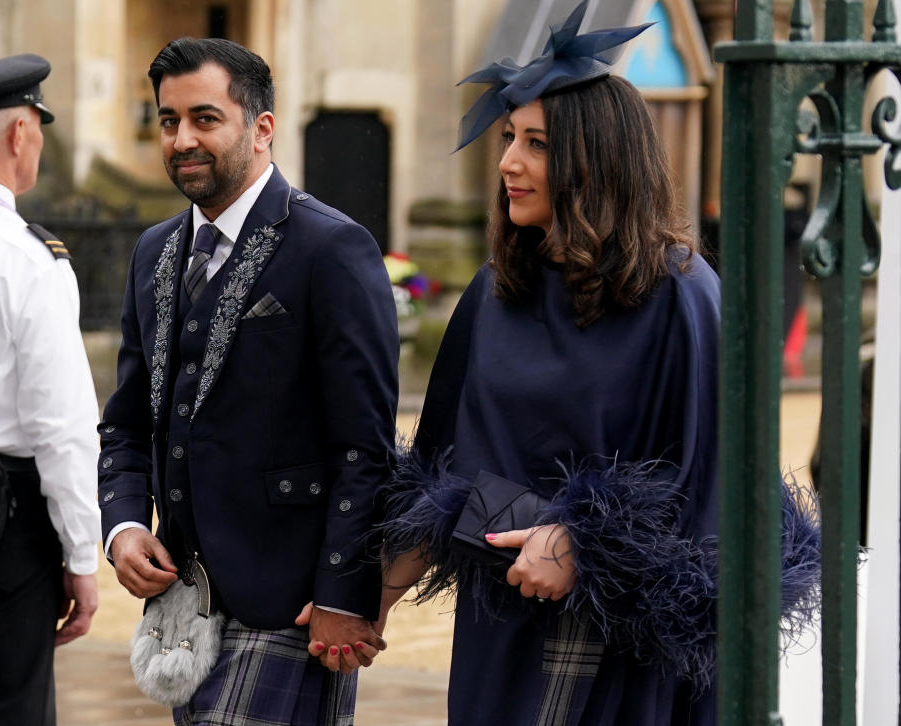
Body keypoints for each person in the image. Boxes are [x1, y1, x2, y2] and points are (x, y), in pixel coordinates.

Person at [319, 3, 819, 725]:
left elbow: (712, 492)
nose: (510, 163)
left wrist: (584, 541)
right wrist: (367, 600)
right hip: (503, 634)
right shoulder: (492, 293)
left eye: (537, 144)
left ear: (597, 160)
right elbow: (436, 474)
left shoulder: (683, 295)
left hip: (630, 647)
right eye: (509, 139)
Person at [98, 37, 399, 725]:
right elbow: (125, 421)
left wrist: (344, 596)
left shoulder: (332, 248)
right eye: (168, 121)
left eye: (205, 119)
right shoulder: (154, 251)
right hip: (185, 602)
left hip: (293, 605)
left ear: (261, 129)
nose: (181, 140)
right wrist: (121, 524)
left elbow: (365, 446)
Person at [0, 54, 101, 725]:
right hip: (7, 518)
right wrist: (82, 554)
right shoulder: (30, 260)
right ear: (18, 135)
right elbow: (59, 424)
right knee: (16, 712)